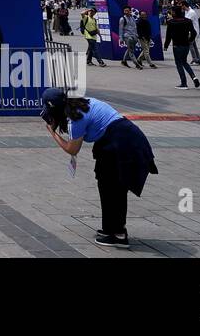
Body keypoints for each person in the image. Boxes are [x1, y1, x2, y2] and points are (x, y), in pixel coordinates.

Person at [41, 89, 157, 249]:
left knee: (113, 187)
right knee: (107, 184)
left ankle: (118, 234)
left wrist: (52, 133)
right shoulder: (80, 104)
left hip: (122, 142)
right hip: (120, 138)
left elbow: (72, 149)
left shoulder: (76, 117)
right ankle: (111, 229)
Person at [161, 6, 199, 89]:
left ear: (175, 13)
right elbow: (194, 32)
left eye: (172, 12)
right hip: (186, 45)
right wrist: (190, 40)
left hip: (176, 45)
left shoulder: (171, 22)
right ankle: (194, 77)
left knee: (179, 63)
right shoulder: (187, 21)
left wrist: (166, 46)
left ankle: (184, 83)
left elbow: (168, 35)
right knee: (184, 62)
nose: (171, 13)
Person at [184, 0, 200, 65]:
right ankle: (198, 59)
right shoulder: (187, 12)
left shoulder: (191, 12)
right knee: (194, 46)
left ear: (184, 5)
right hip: (191, 31)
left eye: (181, 6)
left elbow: (187, 22)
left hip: (192, 32)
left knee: (190, 45)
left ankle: (195, 59)